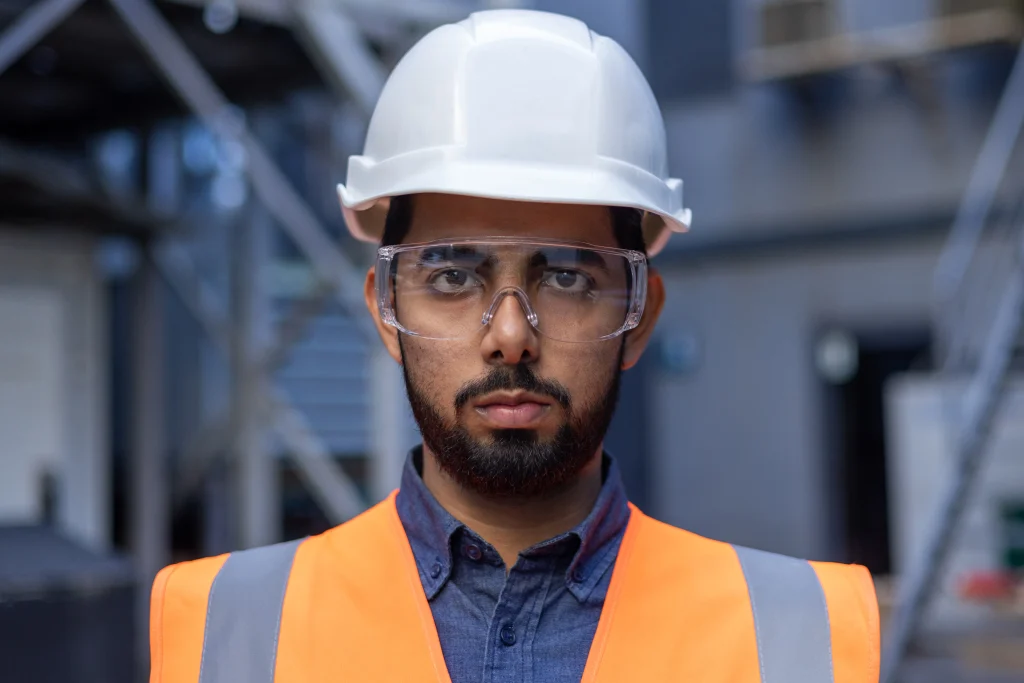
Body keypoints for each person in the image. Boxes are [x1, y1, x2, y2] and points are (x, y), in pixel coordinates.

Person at [148, 9, 879, 683]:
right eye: (453, 276)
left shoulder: (800, 631)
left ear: (641, 314)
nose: (510, 337)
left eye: (566, 277)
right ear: (384, 308)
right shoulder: (227, 624)